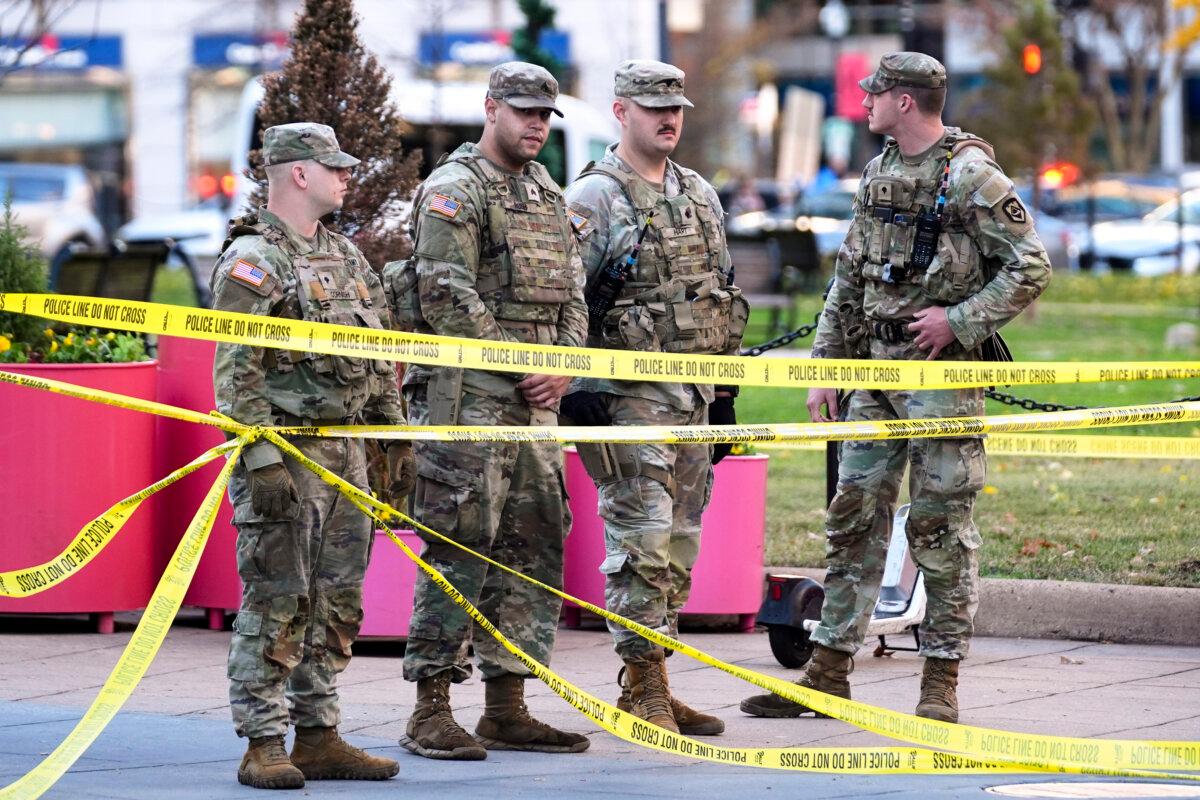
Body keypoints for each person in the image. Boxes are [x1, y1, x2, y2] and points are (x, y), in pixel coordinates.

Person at [740, 52, 1051, 723]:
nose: (864, 100)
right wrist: (828, 364)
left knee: (939, 527)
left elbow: (1029, 266)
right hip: (875, 375)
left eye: (873, 92)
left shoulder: (972, 174)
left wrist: (958, 321)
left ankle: (938, 683)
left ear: (904, 101)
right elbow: (850, 275)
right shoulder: (880, 171)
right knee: (852, 520)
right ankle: (826, 674)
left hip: (939, 378)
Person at [381, 61, 590, 761]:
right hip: (469, 400)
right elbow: (446, 295)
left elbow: (573, 294)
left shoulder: (544, 191)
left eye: (544, 115)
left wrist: (562, 366)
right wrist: (521, 365)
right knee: (460, 546)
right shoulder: (454, 189)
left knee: (532, 545)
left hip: (536, 409)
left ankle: (507, 704)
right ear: (490, 108)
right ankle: (430, 706)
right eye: (524, 111)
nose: (536, 125)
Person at [211, 122, 412, 789]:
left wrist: (391, 436)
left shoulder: (345, 257)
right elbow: (235, 370)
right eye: (337, 167)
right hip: (288, 454)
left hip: (347, 452)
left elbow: (379, 355)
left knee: (336, 600)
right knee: (278, 598)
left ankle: (319, 732)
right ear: (299, 172)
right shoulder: (254, 259)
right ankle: (263, 740)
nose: (346, 177)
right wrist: (260, 458)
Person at [561, 60, 748, 736]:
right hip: (627, 401)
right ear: (621, 113)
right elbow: (564, 302)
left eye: (676, 108)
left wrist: (725, 395)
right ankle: (644, 687)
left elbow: (720, 297)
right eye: (652, 108)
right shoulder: (593, 198)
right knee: (640, 544)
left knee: (678, 547)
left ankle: (653, 678)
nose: (668, 118)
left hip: (693, 398)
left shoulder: (698, 192)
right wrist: (577, 389)